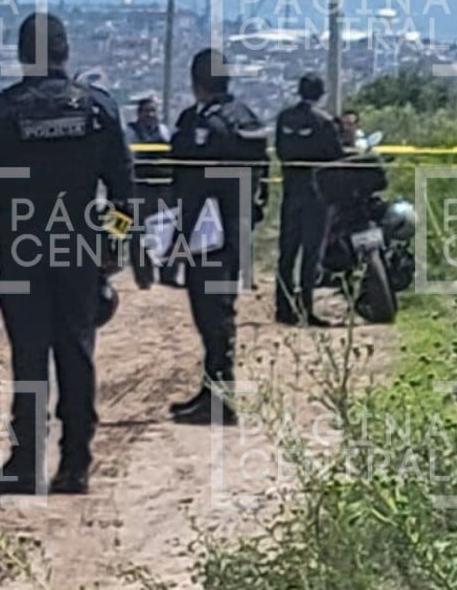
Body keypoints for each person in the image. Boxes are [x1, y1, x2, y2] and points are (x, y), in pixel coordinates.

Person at [0, 12, 134, 495]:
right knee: (77, 354)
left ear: (21, 55)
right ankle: (75, 464)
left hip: (21, 250)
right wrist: (112, 243)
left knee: (30, 358)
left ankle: (25, 464)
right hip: (79, 248)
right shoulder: (97, 109)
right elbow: (124, 193)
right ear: (65, 52)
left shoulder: (3, 112)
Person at [166, 48, 269, 425]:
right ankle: (211, 391)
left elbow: (188, 183)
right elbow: (262, 181)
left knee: (213, 317)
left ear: (196, 84)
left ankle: (220, 400)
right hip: (235, 229)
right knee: (218, 314)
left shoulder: (202, 123)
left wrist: (176, 240)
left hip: (205, 235)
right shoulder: (247, 118)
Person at [275, 74, 346, 327]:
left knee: (287, 251)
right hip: (316, 194)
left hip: (291, 190)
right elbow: (337, 155)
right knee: (311, 253)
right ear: (320, 93)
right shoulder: (324, 121)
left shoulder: (284, 118)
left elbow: (280, 150)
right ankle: (306, 308)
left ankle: (282, 308)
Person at [125, 95, 174, 289]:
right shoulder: (130, 133)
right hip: (139, 188)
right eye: (147, 111)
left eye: (154, 111)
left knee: (165, 231)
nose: (151, 115)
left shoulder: (164, 131)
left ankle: (166, 275)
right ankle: (143, 277)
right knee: (138, 234)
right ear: (139, 114)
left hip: (162, 188)